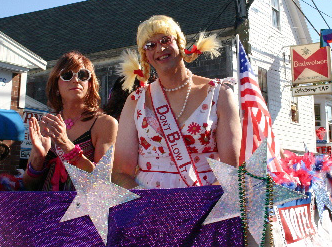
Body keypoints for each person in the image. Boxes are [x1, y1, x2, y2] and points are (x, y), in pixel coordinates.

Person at [112, 15, 241, 189]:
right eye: (150, 45)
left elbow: (231, 169)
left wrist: (198, 204)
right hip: (149, 206)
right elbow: (121, 172)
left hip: (207, 203)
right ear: (146, 56)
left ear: (180, 43)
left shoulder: (220, 94)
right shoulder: (136, 101)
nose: (160, 48)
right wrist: (149, 204)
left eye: (165, 39)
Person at [23, 51, 118, 191]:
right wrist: (38, 156)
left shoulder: (104, 123)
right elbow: (29, 186)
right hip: (47, 209)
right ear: (56, 85)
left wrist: (66, 146)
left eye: (83, 75)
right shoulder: (49, 124)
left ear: (90, 84)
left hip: (83, 210)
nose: (75, 80)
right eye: (67, 75)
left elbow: (102, 182)